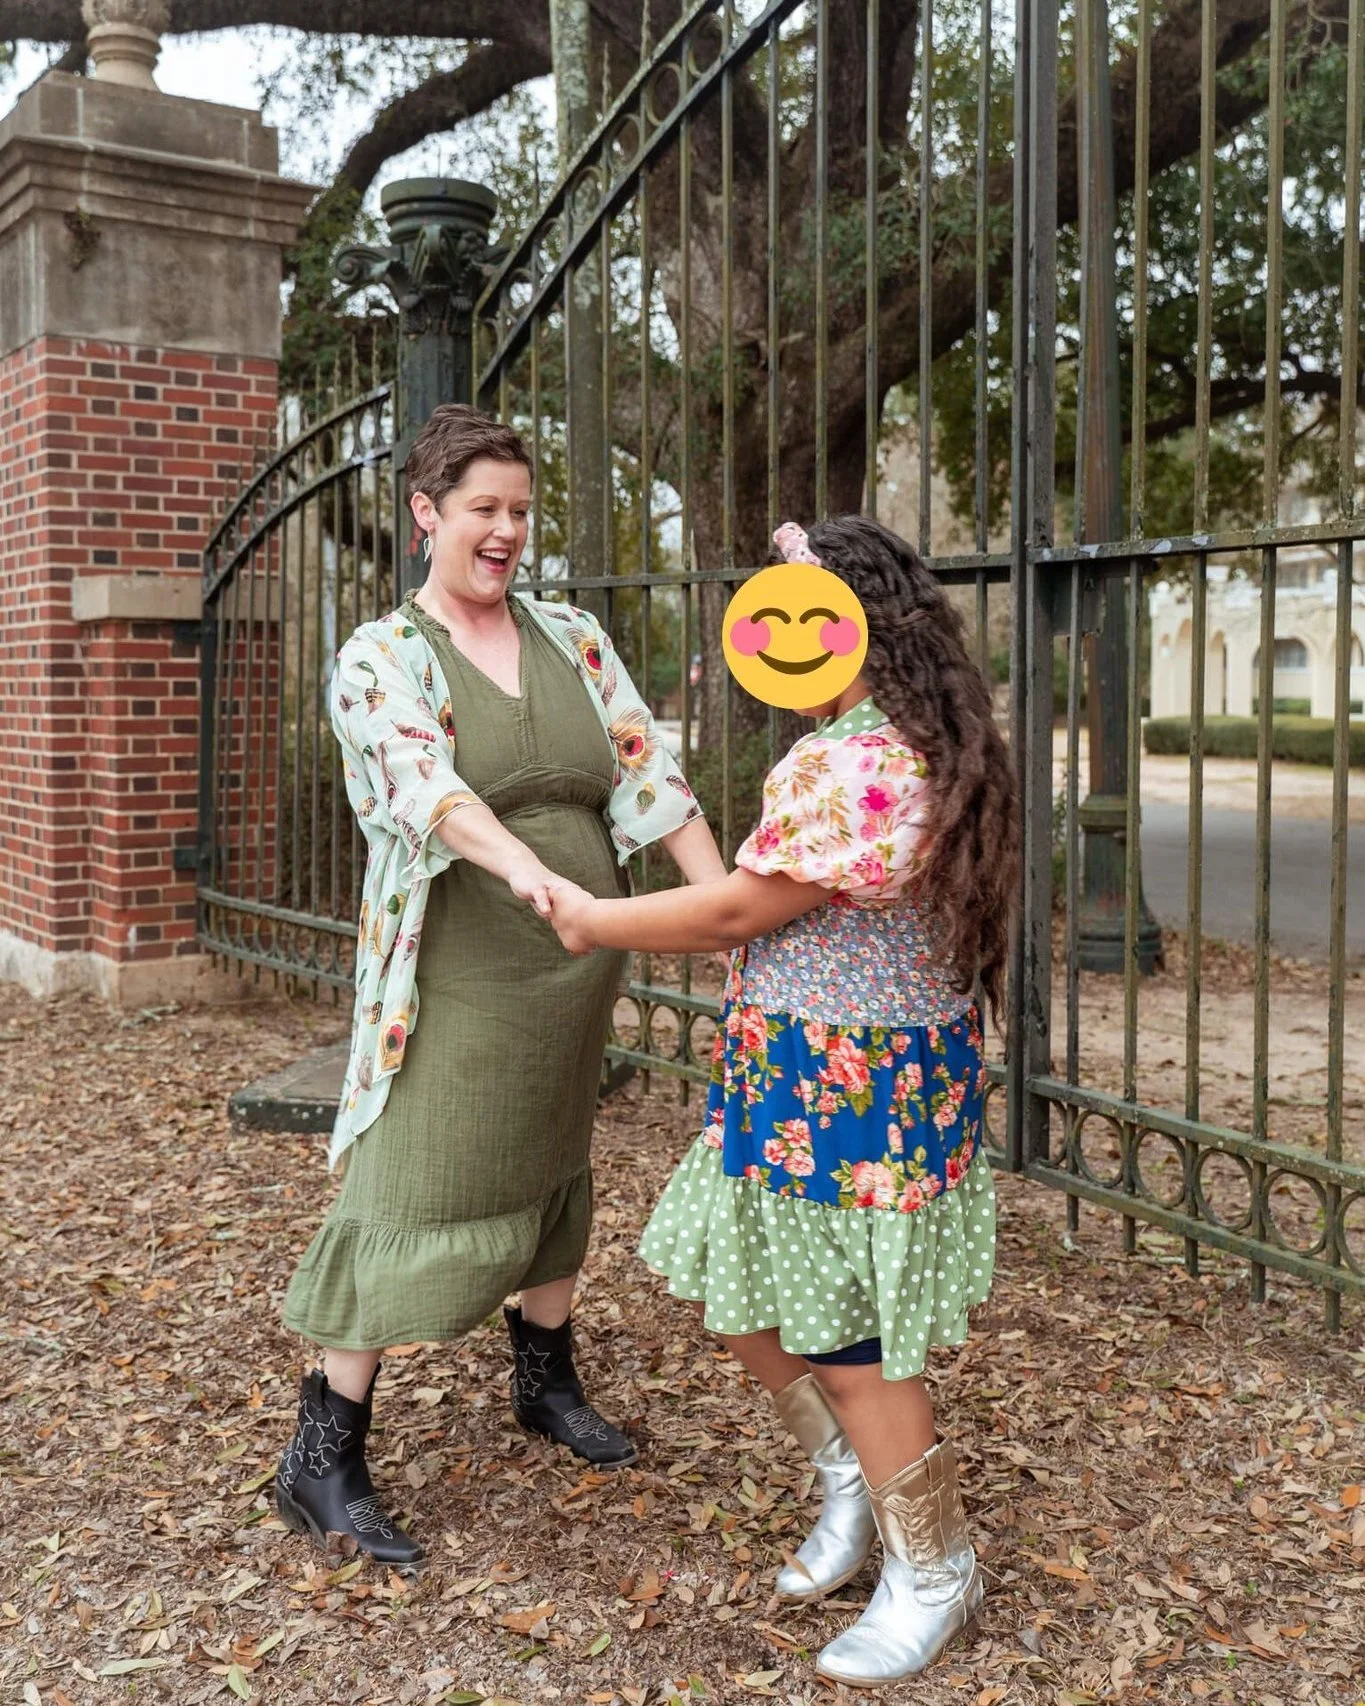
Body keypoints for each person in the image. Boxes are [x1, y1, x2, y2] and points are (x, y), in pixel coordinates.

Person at [547, 515, 1018, 1686]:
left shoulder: (856, 759)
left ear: (859, 627)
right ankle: (856, 1473)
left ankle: (935, 1562)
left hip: (846, 1089)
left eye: (806, 615)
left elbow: (734, 909)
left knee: (850, 1343)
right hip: (824, 1078)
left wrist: (592, 915)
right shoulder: (901, 740)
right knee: (741, 1287)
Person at [274, 404, 726, 1566]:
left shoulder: (570, 633)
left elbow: (648, 771)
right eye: (485, 508)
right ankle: (323, 1450)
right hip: (458, 962)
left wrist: (725, 915)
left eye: (521, 511)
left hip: (575, 965)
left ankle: (544, 1377)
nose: (507, 531)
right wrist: (531, 872)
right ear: (427, 512)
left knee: (549, 1151)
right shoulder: (380, 655)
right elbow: (426, 791)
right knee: (412, 1170)